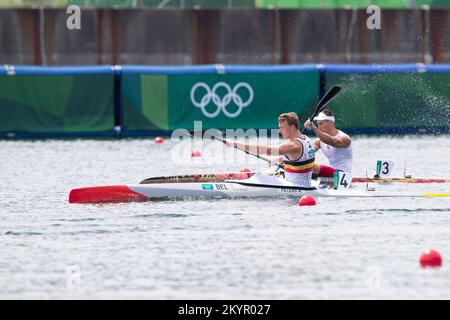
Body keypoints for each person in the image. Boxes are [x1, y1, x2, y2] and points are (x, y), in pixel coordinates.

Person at [223, 112, 315, 187]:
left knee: (258, 177)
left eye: (282, 128)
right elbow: (299, 157)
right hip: (303, 184)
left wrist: (234, 143)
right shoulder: (306, 139)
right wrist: (279, 159)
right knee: (258, 174)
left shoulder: (294, 145)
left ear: (292, 127)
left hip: (295, 187)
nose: (280, 131)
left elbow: (265, 150)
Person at [303, 109, 352, 179]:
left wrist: (314, 129)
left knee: (311, 167)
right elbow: (308, 153)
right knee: (304, 165)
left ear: (330, 122)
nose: (319, 127)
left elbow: (331, 141)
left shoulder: (345, 138)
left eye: (321, 123)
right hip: (331, 174)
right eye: (317, 124)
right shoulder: (319, 141)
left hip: (343, 175)